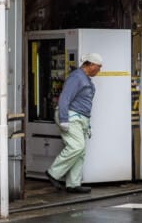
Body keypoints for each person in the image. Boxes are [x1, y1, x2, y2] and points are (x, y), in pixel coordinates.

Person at [46, 52, 103, 194]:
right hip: (71, 116)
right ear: (89, 64)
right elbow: (65, 98)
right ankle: (53, 173)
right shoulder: (76, 77)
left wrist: (88, 124)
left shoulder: (86, 79)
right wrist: (64, 119)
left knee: (80, 151)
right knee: (77, 146)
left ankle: (73, 184)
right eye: (98, 67)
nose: (99, 70)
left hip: (79, 118)